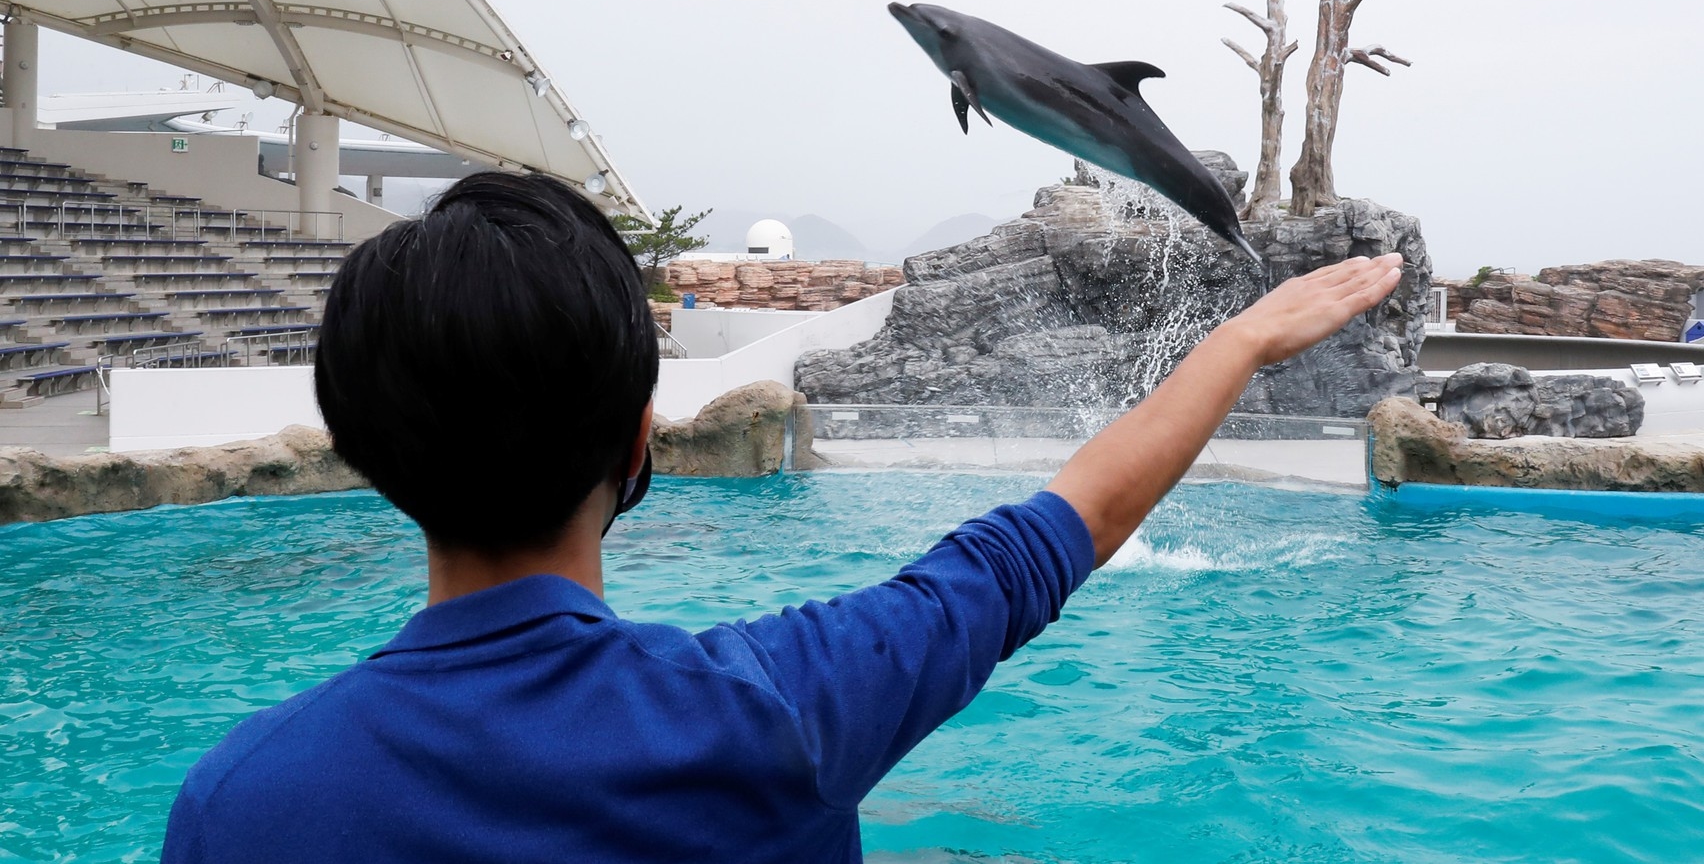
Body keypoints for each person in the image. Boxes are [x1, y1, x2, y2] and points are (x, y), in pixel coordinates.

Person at [161, 172, 1403, 863]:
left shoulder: (239, 804)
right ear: (641, 435)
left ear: (370, 452)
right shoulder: (774, 709)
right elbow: (1053, 530)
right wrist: (1241, 337)